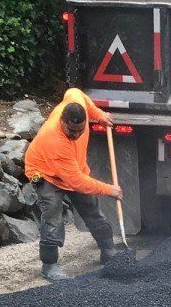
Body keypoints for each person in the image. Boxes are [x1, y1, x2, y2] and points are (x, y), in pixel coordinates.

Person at [23, 88, 123, 280]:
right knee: (52, 214)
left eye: (81, 130)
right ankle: (49, 265)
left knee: (91, 208)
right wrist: (108, 189)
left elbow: (75, 91)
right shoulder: (55, 140)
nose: (76, 135)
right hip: (43, 172)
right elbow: (76, 182)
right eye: (71, 131)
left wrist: (99, 115)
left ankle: (108, 249)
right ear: (62, 121)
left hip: (72, 168)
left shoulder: (75, 103)